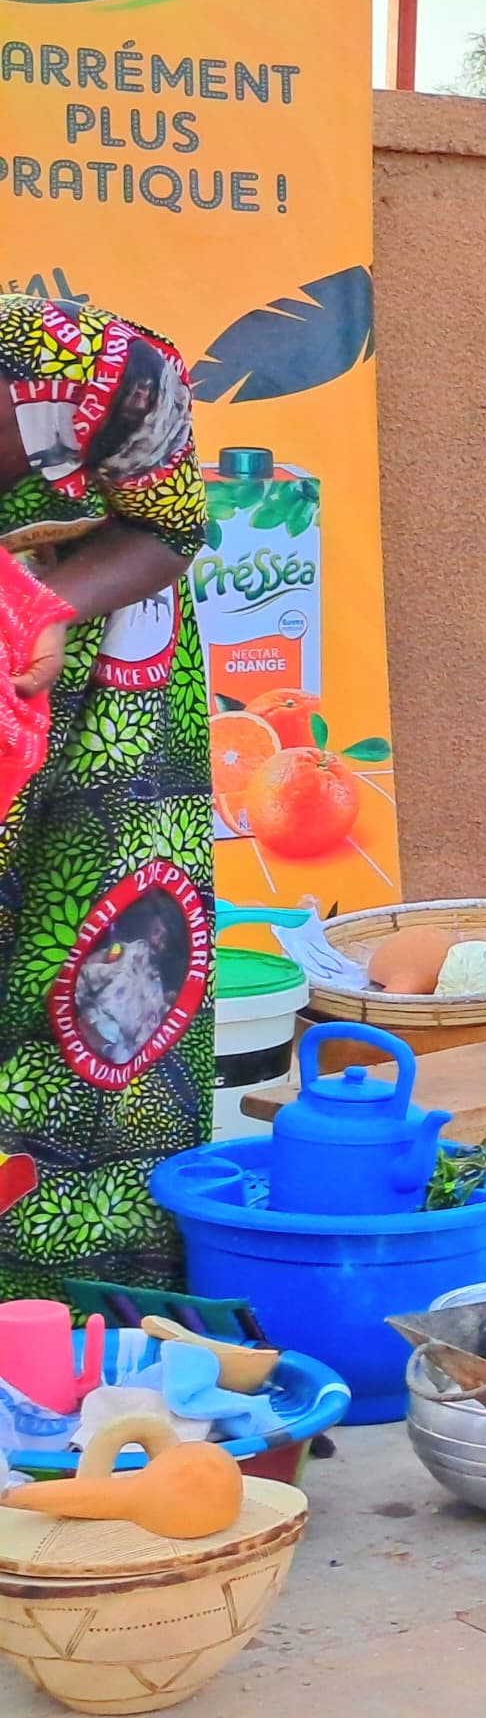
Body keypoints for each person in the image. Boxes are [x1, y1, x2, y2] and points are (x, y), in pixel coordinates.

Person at [0, 296, 216, 1299]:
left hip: (107, 674)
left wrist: (50, 607)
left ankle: (75, 1283)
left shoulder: (108, 370)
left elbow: (171, 528)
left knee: (98, 959)